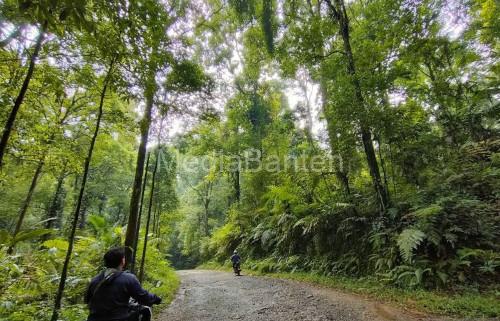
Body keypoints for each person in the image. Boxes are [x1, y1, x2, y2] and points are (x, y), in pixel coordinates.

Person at [85, 247, 162, 321]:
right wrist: (156, 298)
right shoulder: (128, 278)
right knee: (145, 311)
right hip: (119, 319)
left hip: (93, 318)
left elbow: (87, 300)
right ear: (122, 261)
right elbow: (144, 297)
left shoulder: (95, 280)